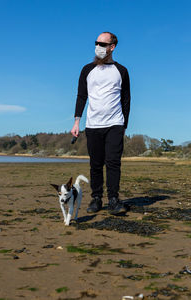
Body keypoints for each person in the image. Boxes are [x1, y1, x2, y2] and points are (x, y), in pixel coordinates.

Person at [71, 32, 130, 215]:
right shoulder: (87, 70)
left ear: (112, 47)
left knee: (113, 162)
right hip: (93, 125)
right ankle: (96, 199)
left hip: (115, 124)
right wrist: (77, 121)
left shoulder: (121, 71)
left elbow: (126, 99)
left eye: (102, 44)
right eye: (96, 43)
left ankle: (113, 200)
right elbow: (82, 96)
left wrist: (123, 125)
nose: (98, 47)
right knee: (95, 164)